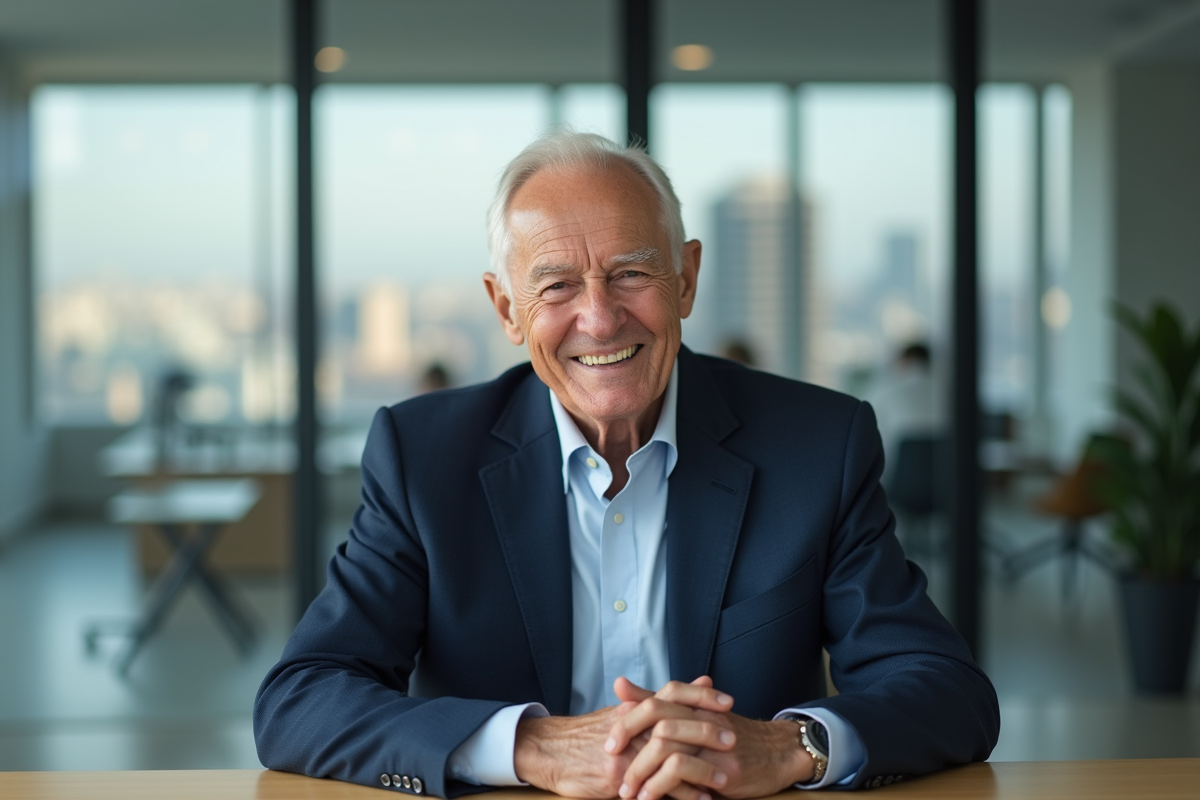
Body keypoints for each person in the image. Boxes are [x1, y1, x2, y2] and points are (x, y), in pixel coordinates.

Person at [254, 132, 999, 798]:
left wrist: (791, 746)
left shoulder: (817, 443)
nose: (600, 318)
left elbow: (947, 691)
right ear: (507, 310)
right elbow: (303, 698)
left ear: (687, 278)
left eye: (631, 274)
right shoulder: (424, 457)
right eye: (556, 286)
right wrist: (529, 746)